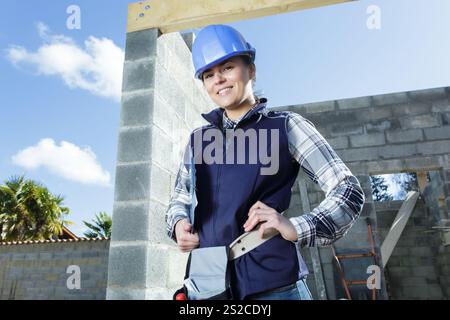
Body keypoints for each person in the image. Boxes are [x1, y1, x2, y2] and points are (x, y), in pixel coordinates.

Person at [165, 24, 365, 300]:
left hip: (274, 286)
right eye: (208, 74)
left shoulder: (286, 126)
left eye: (227, 68)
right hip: (208, 285)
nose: (218, 79)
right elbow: (179, 198)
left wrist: (297, 227)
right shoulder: (198, 140)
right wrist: (177, 223)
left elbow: (348, 190)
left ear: (252, 70)